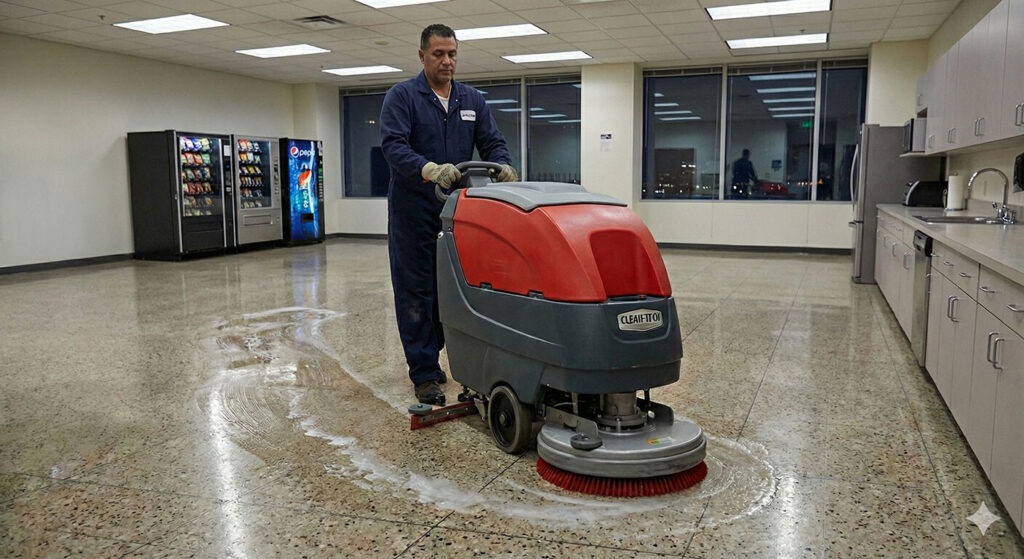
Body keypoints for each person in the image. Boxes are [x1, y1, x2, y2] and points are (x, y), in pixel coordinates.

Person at [380, 23, 517, 406]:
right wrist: (428, 169)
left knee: (450, 291)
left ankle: (435, 353)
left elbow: (493, 142)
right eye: (438, 54)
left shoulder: (471, 100)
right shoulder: (403, 96)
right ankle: (423, 372)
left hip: (458, 215)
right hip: (413, 213)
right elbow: (393, 145)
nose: (447, 61)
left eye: (452, 53)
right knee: (415, 292)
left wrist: (503, 165)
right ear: (422, 55)